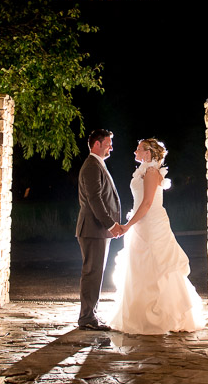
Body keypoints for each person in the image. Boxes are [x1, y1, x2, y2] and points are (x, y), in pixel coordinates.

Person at [107, 138, 204, 335]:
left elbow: (148, 203)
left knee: (157, 266)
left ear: (149, 154)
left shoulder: (151, 172)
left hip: (150, 224)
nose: (135, 151)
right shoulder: (145, 170)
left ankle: (159, 318)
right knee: (140, 267)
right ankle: (140, 315)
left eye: (139, 148)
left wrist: (127, 225)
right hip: (142, 223)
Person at [76, 129, 123, 331]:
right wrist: (111, 225)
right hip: (93, 229)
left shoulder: (97, 164)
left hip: (97, 231)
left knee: (95, 273)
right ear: (97, 144)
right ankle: (87, 318)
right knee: (92, 273)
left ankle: (90, 315)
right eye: (108, 143)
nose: (111, 147)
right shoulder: (92, 166)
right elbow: (95, 200)